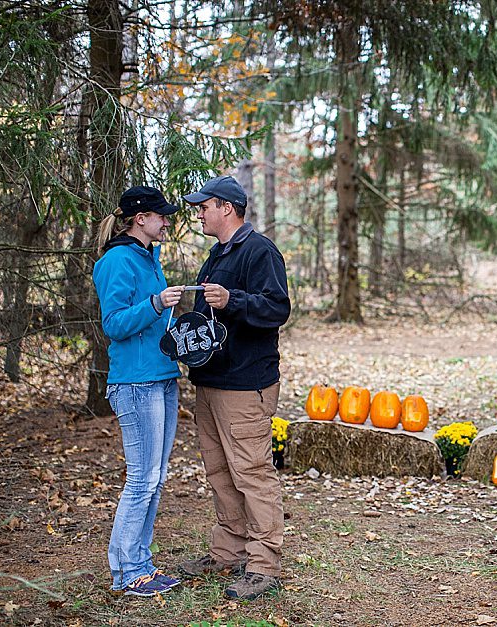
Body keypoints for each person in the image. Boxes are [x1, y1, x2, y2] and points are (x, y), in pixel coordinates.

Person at [177, 175, 291, 600]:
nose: (198, 212)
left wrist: (235, 301)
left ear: (227, 207)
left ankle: (263, 564)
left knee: (252, 473)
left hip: (246, 384)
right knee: (219, 470)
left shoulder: (259, 251)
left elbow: (277, 308)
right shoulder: (216, 254)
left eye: (203, 205)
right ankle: (228, 550)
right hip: (210, 381)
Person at [92, 186, 185, 596]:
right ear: (140, 218)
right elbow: (112, 323)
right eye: (161, 215)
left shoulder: (150, 258)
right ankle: (128, 572)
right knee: (142, 479)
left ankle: (140, 564)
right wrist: (155, 302)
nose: (167, 221)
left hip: (163, 377)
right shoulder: (117, 260)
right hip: (135, 383)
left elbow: (153, 323)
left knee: (156, 477)